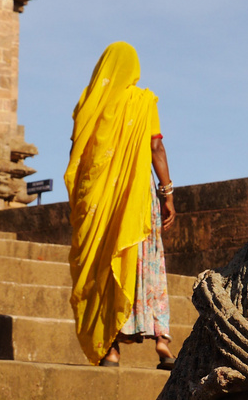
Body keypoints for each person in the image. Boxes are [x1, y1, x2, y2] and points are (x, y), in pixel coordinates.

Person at [65, 42, 177, 369]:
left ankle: (111, 349)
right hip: (136, 202)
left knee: (105, 271)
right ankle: (162, 342)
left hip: (100, 205)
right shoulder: (142, 101)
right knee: (144, 264)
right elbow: (157, 148)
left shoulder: (88, 104)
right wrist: (167, 192)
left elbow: (79, 160)